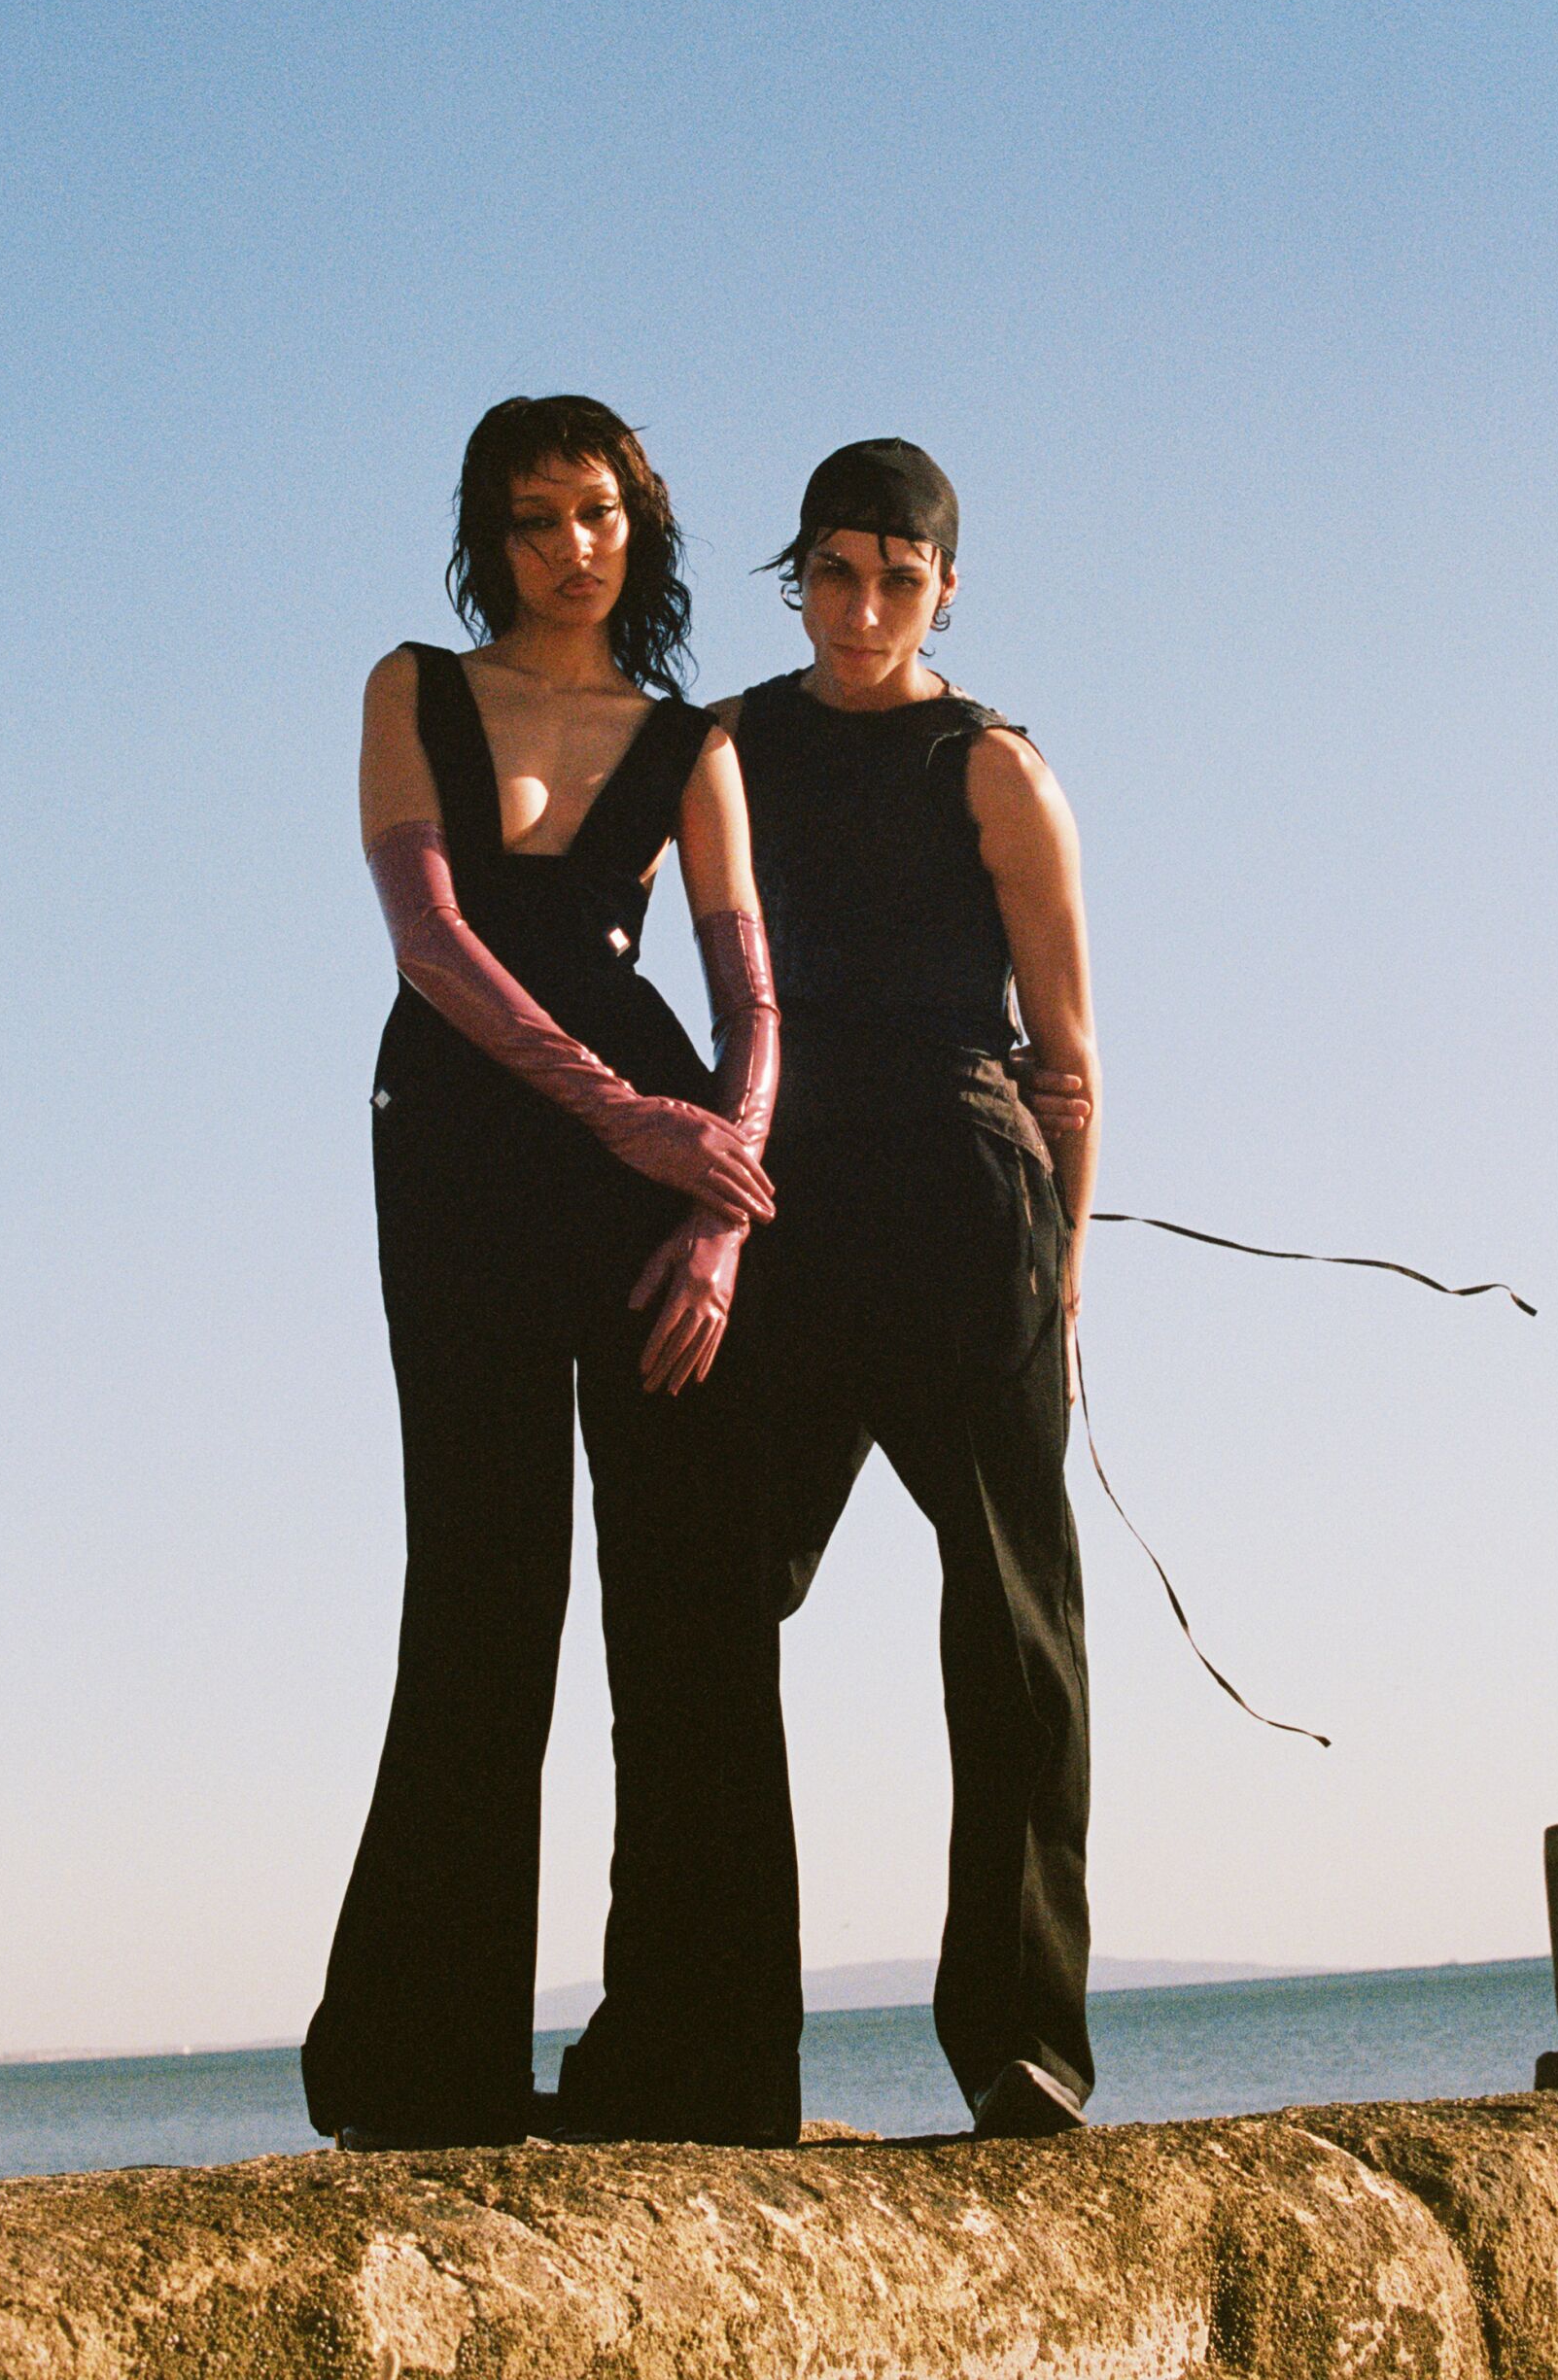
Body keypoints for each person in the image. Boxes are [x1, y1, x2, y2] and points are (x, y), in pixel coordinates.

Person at [303, 394, 803, 2152]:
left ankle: (698, 2058)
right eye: (532, 517)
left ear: (639, 526)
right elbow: (430, 942)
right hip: (461, 1141)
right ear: (487, 534)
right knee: (486, 1584)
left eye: (597, 511)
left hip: (660, 1186)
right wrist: (625, 1119)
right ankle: (420, 2065)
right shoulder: (413, 689)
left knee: (691, 1608)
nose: (569, 544)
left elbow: (755, 1010)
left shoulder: (695, 743)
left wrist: (725, 1210)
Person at [719, 438, 1102, 2139]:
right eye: (833, 568)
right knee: (708, 1599)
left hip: (967, 1204)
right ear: (794, 572)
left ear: (947, 586)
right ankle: (709, 2041)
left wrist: (1064, 1268)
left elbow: (1072, 1061)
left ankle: (1022, 2041)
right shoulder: (726, 746)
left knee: (1013, 1620)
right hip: (783, 1199)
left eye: (899, 572)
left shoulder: (994, 767)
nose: (862, 603)